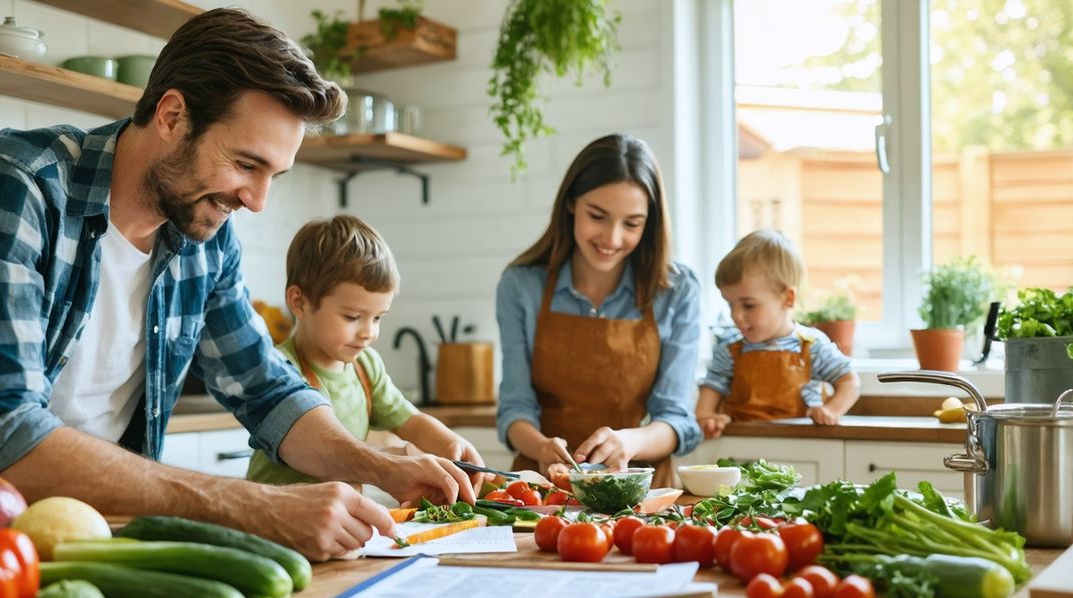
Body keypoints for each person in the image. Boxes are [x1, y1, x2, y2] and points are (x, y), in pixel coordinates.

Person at [0, 8, 473, 561]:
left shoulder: (206, 240)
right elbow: (2, 435)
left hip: (95, 552)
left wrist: (387, 466)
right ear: (171, 115)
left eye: (274, 175)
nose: (258, 201)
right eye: (245, 165)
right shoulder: (9, 184)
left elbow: (267, 392)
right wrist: (256, 506)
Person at [495, 134, 702, 488]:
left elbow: (677, 420)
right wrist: (542, 447)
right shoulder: (520, 285)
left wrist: (629, 442)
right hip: (543, 488)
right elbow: (514, 410)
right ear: (571, 203)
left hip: (641, 491)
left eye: (632, 223)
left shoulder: (677, 290)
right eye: (598, 216)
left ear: (649, 223)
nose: (612, 238)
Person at [246, 214, 486, 489]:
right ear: (299, 302)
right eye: (352, 317)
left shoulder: (365, 366)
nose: (368, 333)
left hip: (341, 512)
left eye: (377, 318)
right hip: (280, 511)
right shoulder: (281, 367)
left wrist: (451, 443)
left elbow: (410, 421)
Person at [696, 229, 861, 438]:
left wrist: (831, 410)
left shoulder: (812, 346)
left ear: (788, 299)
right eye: (730, 305)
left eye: (748, 305)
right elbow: (710, 392)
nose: (736, 315)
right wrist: (706, 417)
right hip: (741, 446)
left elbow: (849, 382)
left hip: (801, 448)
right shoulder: (728, 350)